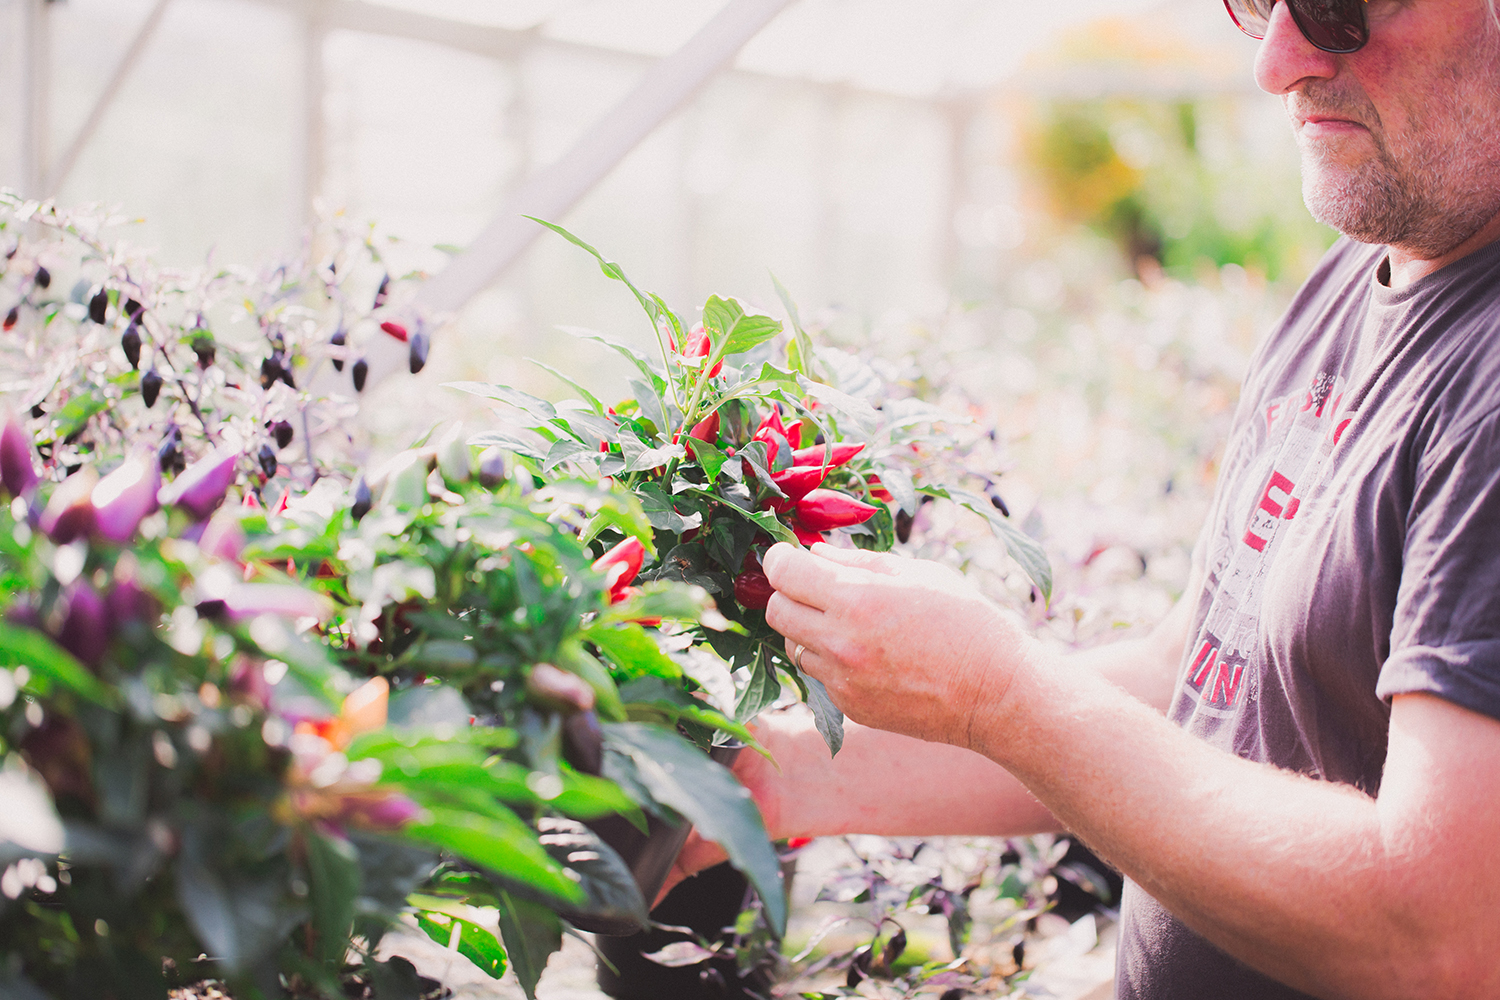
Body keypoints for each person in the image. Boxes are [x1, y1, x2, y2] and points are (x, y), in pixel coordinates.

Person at [671, 1, 1500, 997]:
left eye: (1340, 7)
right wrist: (770, 778)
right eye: (1259, 3)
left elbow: (1440, 934)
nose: (1277, 63)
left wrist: (1003, 694)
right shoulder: (1361, 279)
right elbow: (1190, 680)